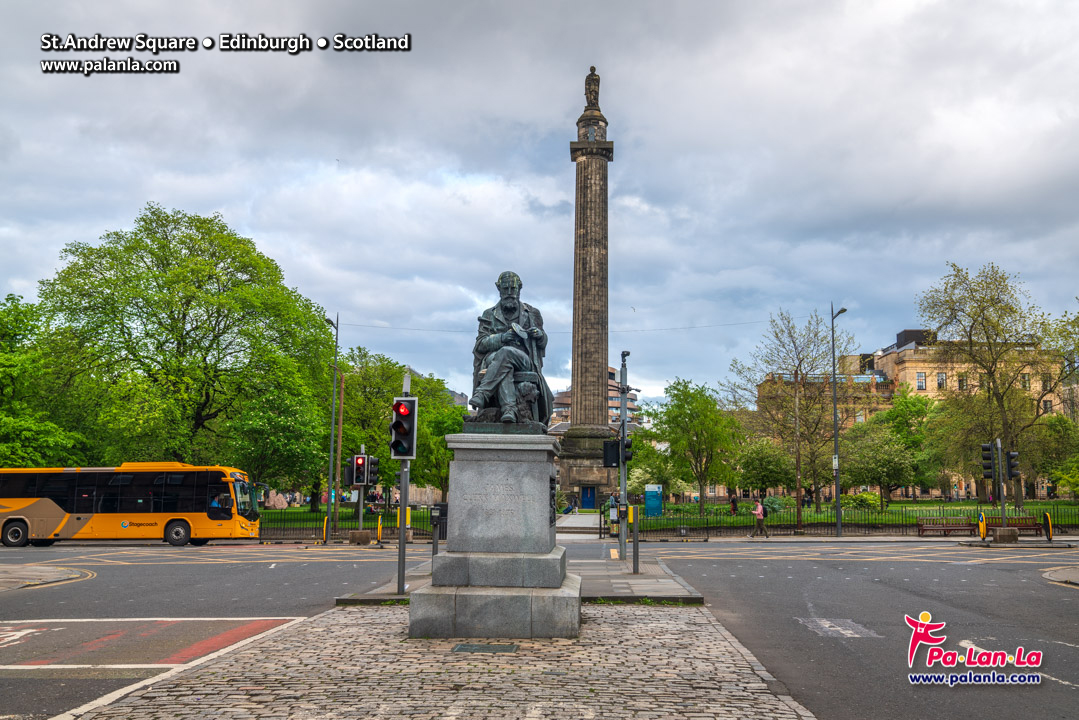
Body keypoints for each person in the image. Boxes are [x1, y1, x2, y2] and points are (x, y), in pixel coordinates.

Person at [470, 271, 555, 424]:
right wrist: (502, 338)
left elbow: (543, 343)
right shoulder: (489, 314)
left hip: (524, 361)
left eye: (513, 289)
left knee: (506, 353)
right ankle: (509, 409)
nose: (509, 293)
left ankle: (483, 393)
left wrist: (539, 335)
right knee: (504, 360)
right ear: (499, 289)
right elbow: (480, 344)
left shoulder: (532, 313)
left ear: (519, 289)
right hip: (494, 359)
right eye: (505, 289)